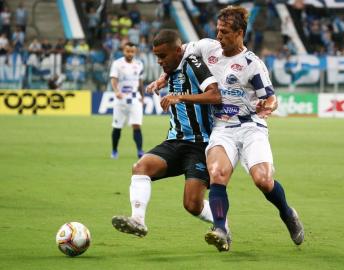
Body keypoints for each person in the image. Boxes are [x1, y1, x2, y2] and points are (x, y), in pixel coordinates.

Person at [148, 6, 304, 252]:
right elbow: (174, 56)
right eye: (217, 30)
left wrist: (268, 105)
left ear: (239, 32)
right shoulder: (206, 47)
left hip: (251, 126)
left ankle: (287, 213)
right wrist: (162, 78)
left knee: (263, 181)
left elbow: (271, 97)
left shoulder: (253, 64)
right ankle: (220, 229)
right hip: (222, 128)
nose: (219, 36)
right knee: (218, 174)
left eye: (225, 32)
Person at [111, 29, 223, 238]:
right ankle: (138, 220)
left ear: (178, 51)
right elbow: (169, 70)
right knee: (140, 168)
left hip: (201, 145)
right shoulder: (171, 66)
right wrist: (160, 81)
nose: (160, 61)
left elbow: (215, 95)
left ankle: (222, 224)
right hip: (175, 141)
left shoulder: (193, 63)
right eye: (157, 57)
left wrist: (179, 97)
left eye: (162, 56)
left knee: (192, 205)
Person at [109, 42, 145, 159]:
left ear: (135, 52)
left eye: (132, 51)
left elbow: (140, 82)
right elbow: (114, 79)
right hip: (121, 99)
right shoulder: (117, 64)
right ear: (124, 51)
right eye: (127, 51)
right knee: (117, 126)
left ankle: (140, 151)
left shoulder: (139, 64)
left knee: (136, 125)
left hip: (135, 99)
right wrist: (116, 91)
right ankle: (114, 150)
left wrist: (142, 96)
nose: (130, 53)